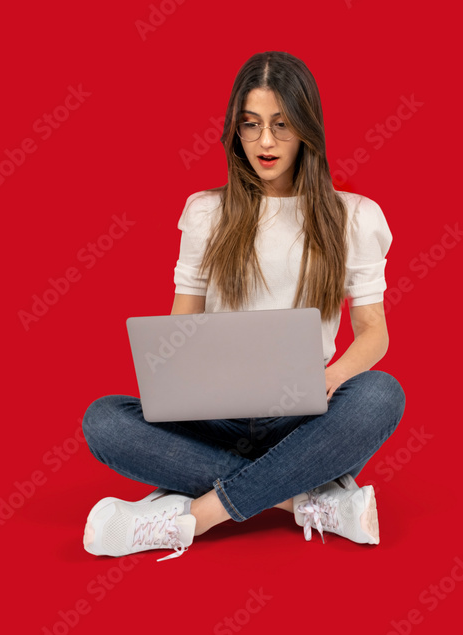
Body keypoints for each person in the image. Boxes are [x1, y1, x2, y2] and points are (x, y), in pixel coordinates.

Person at [80, 51, 406, 561]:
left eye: (281, 124)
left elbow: (374, 333)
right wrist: (171, 373)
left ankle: (190, 517)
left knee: (380, 395)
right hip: (215, 415)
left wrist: (333, 375)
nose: (266, 142)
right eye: (251, 126)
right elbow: (182, 320)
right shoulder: (206, 211)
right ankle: (308, 500)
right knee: (103, 421)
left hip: (301, 414)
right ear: (235, 131)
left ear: (307, 129)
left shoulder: (355, 217)